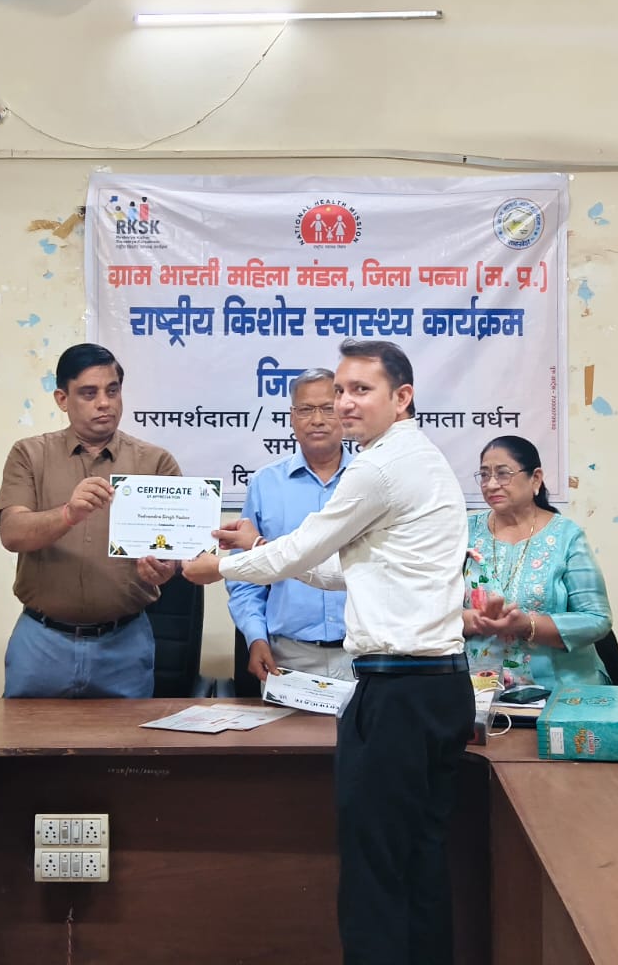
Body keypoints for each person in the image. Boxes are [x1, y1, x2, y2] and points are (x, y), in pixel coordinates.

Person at [140, 339, 471, 965]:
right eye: (339, 390)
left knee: (374, 871)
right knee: (419, 860)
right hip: (437, 687)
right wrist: (257, 546)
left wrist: (219, 566)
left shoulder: (377, 468)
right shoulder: (420, 459)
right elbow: (343, 570)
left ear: (402, 398)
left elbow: (302, 551)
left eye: (360, 390)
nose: (343, 404)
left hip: (397, 692)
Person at [0, 343, 180, 698]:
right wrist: (68, 514)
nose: (104, 403)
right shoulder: (29, 454)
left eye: (112, 391)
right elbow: (12, 534)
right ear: (62, 399)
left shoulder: (155, 463)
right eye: (89, 393)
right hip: (42, 641)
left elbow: (175, 552)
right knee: (25, 733)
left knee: (125, 737)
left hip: (125, 644)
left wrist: (166, 568)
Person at [226, 368, 355, 684]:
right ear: (292, 418)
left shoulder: (370, 480)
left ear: (344, 413)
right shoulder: (265, 484)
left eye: (328, 408)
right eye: (306, 410)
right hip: (287, 655)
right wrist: (255, 637)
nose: (317, 420)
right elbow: (245, 575)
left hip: (363, 653)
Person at [465, 435, 612, 688]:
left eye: (503, 474)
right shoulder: (465, 532)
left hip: (562, 690)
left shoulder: (566, 536)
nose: (491, 484)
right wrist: (472, 620)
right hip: (480, 690)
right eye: (484, 475)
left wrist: (528, 625)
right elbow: (432, 610)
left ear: (535, 478)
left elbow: (597, 619)